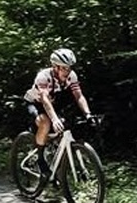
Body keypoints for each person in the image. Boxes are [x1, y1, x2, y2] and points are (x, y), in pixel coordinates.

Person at [23, 48, 93, 178]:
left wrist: (88, 114)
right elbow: (44, 99)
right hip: (36, 103)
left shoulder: (71, 76)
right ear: (55, 67)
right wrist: (54, 119)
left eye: (69, 68)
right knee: (46, 122)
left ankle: (56, 164)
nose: (68, 71)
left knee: (65, 128)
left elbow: (79, 96)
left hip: (53, 103)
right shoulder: (43, 76)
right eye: (64, 68)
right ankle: (40, 158)